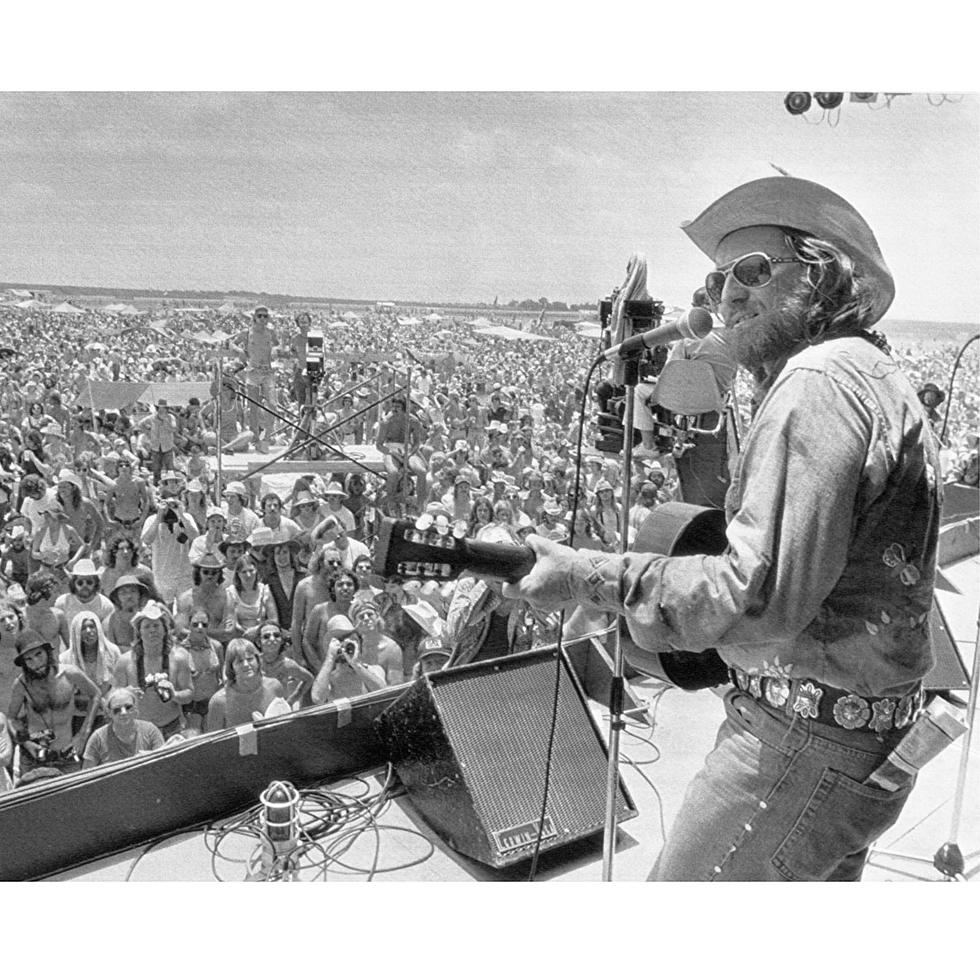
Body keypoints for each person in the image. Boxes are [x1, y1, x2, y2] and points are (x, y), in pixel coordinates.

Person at [495, 176, 941, 882]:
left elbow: (753, 596)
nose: (727, 294)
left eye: (754, 271)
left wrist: (585, 574)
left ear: (822, 276)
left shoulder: (817, 385)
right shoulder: (871, 373)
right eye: (718, 276)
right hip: (861, 742)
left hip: (801, 743)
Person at [7, 629, 101, 775]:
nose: (36, 663)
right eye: (29, 659)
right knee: (33, 797)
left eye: (39, 654)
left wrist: (83, 734)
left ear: (47, 652)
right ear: (24, 663)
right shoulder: (21, 684)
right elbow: (11, 718)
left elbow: (95, 694)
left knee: (75, 795)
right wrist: (26, 743)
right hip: (35, 756)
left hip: (67, 752)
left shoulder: (69, 674)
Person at [113, 601, 193, 739]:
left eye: (156, 625)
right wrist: (126, 695)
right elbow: (113, 697)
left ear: (165, 630)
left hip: (172, 727)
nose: (152, 630)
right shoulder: (124, 662)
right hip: (139, 731)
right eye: (147, 626)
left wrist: (174, 695)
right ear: (139, 632)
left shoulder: (179, 658)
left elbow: (189, 694)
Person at [59, 609, 120, 737]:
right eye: (83, 628)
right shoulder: (65, 659)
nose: (88, 631)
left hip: (108, 714)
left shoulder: (113, 652)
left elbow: (119, 684)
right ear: (76, 632)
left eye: (92, 626)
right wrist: (92, 700)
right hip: (79, 716)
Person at [205, 638, 284, 731]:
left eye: (250, 659)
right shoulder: (219, 702)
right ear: (231, 667)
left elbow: (285, 724)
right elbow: (214, 741)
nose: (246, 664)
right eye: (239, 661)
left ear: (258, 661)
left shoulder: (274, 687)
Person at [82, 686, 165, 769]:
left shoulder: (150, 731)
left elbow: (163, 764)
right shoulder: (98, 738)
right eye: (117, 709)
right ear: (109, 713)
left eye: (128, 707)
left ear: (135, 709)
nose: (123, 713)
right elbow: (86, 774)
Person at [232, 306, 277, 452]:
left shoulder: (271, 332)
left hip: (267, 371)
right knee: (253, 408)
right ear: (255, 318)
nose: (263, 319)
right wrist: (239, 351)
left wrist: (276, 349)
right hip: (252, 372)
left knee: (273, 405)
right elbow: (231, 343)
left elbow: (279, 344)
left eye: (265, 316)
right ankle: (256, 439)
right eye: (260, 316)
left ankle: (267, 437)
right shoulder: (247, 333)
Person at [250, 622, 313, 709]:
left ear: (282, 640)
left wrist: (291, 700)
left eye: (276, 635)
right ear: (258, 642)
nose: (272, 639)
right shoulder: (253, 664)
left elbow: (309, 679)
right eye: (266, 636)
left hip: (279, 710)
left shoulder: (287, 665)